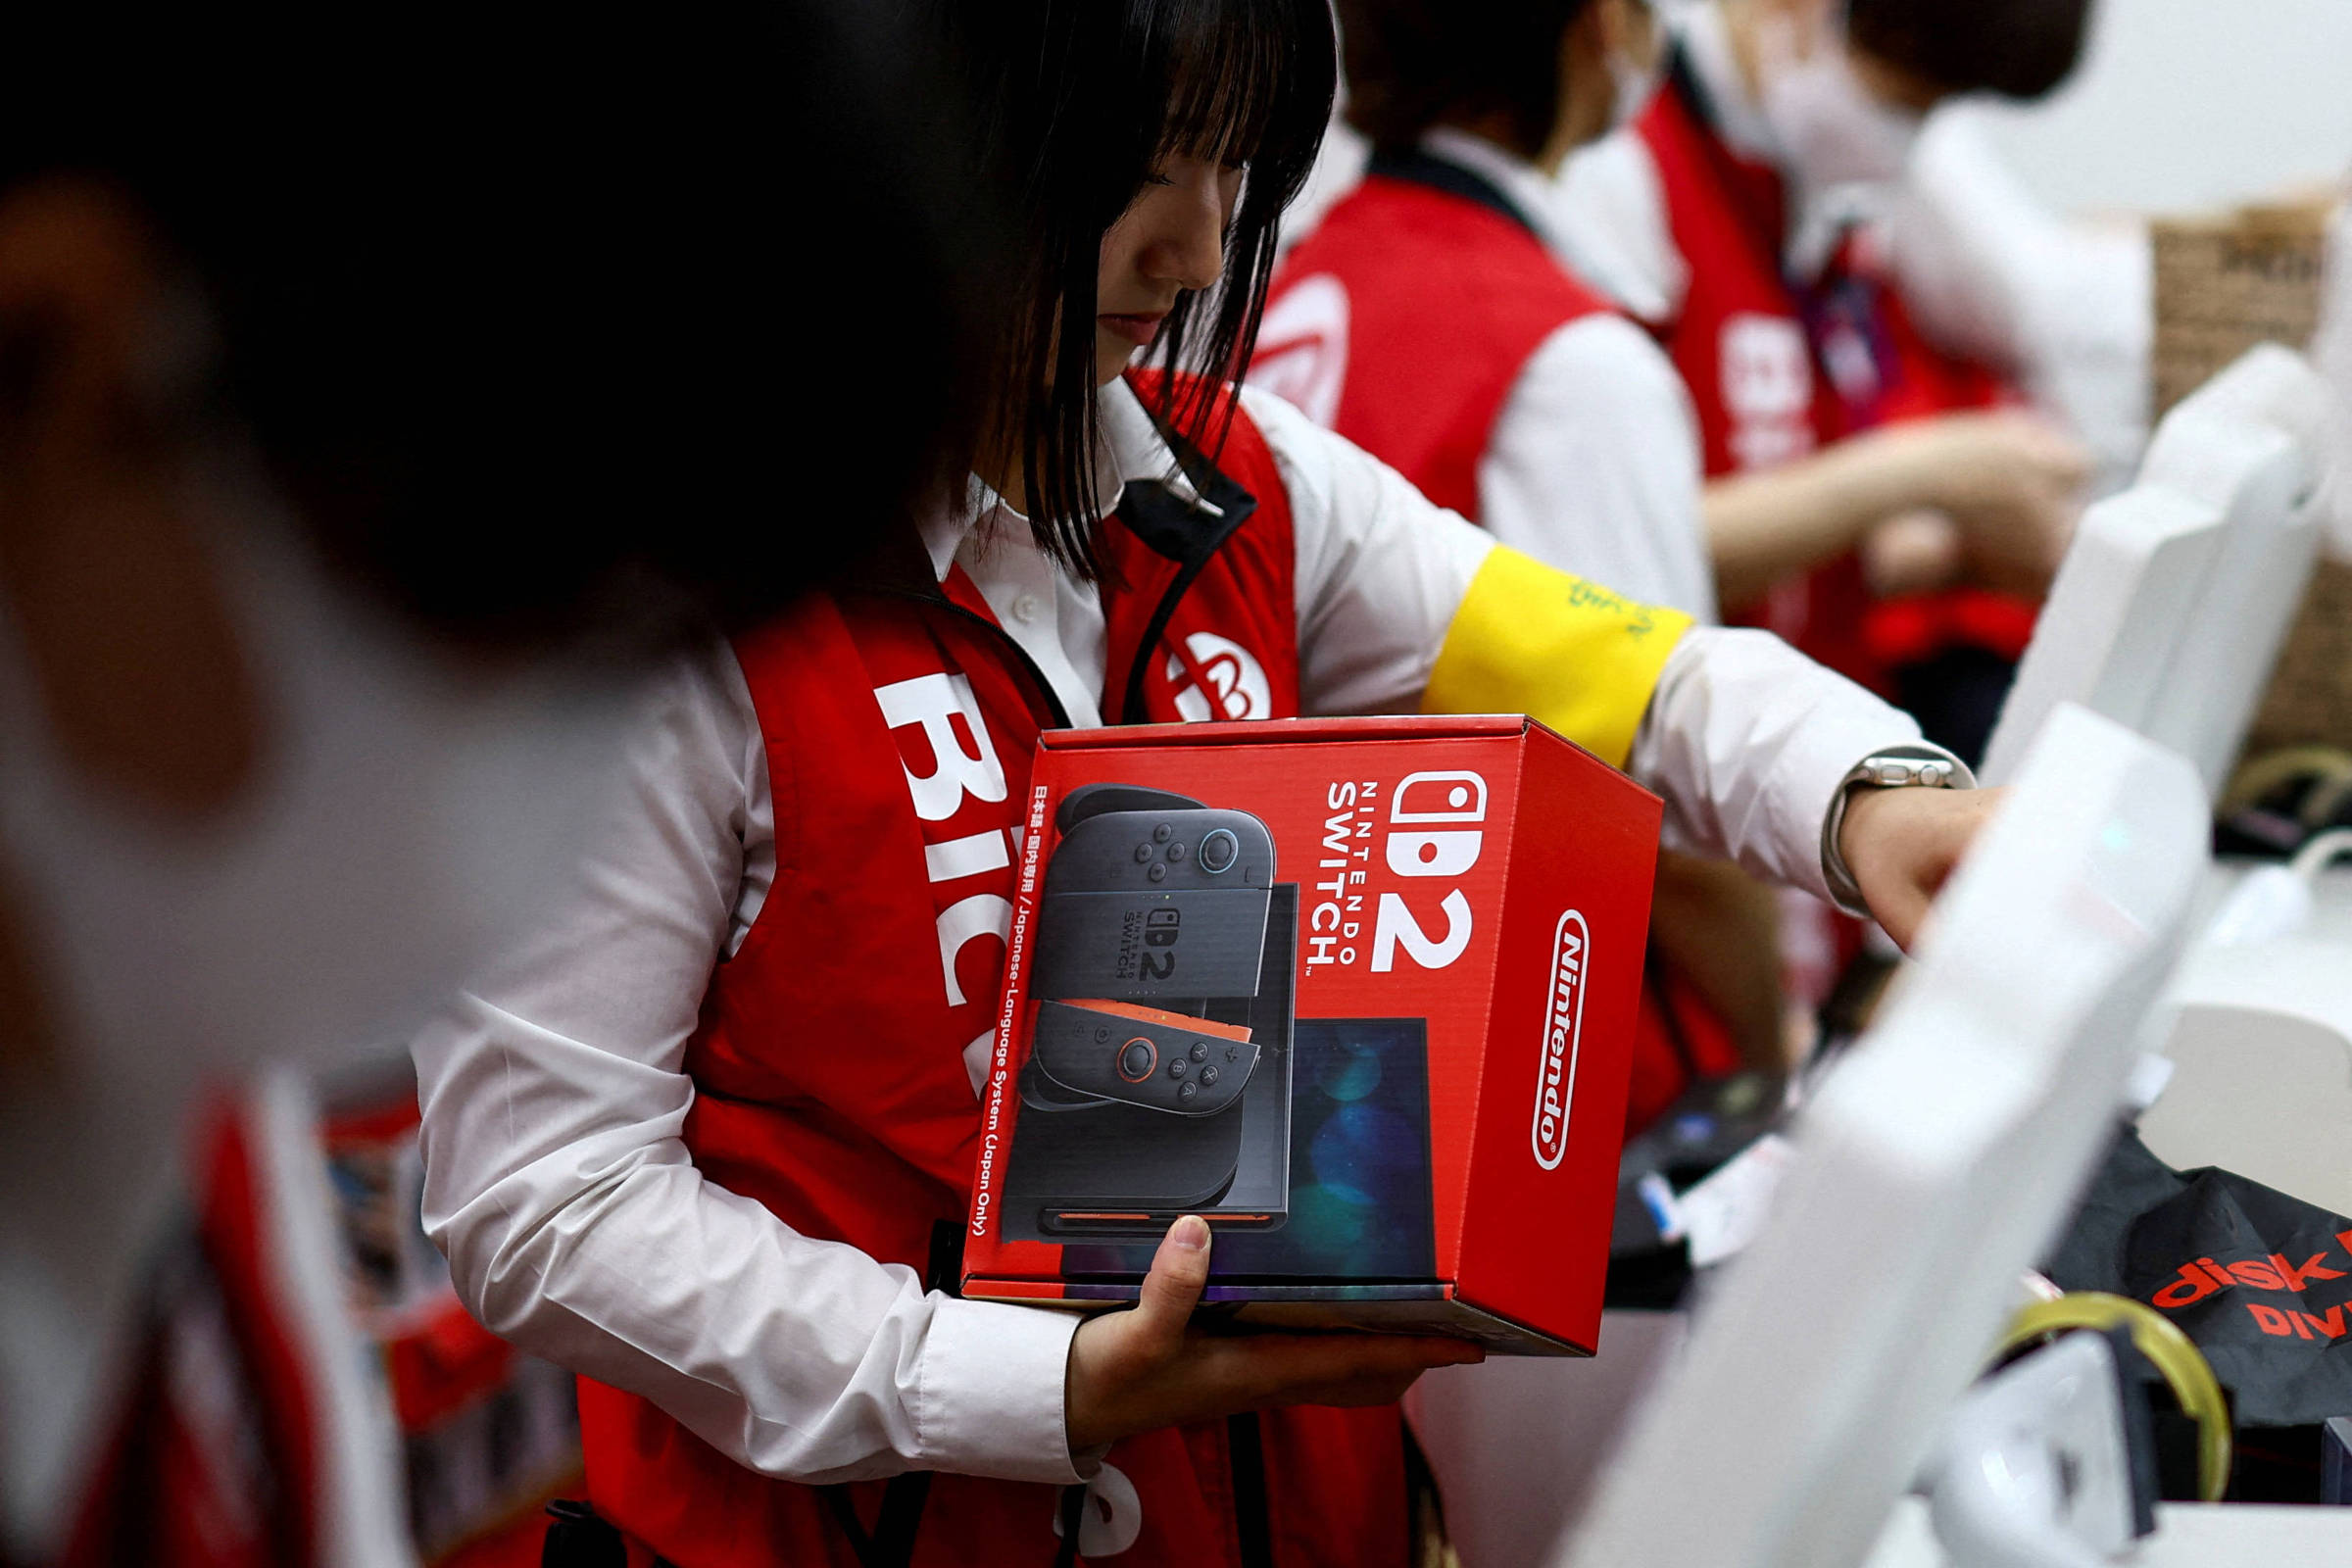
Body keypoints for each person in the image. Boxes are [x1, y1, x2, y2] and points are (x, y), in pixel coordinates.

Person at [413, 2, 1997, 1563]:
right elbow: (542, 1202)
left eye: (1237, 167)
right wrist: (1028, 1385)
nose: (1194, 249)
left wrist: (1872, 796)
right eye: (1136, 165)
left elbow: (1631, 679)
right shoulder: (671, 603)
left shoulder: (1245, 482)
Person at [0, 11, 989, 1563]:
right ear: (49, 354)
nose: (526, 794)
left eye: (635, 664)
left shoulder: (178, 1137)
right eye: (486, 606)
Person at [1254, 0, 1787, 1121]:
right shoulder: (1568, 358)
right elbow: (1667, 800)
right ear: (1597, 29)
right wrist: (1777, 1053)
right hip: (1541, 1070)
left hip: (1317, 1038)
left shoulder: (1295, 287)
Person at [1554, 0, 2099, 765]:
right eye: (1902, 98)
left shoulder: (1805, 190)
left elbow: (1786, 527)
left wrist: (1964, 545)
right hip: (1677, 776)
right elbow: (1605, 555)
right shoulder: (1619, 170)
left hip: (1803, 753)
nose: (1907, 137)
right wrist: (1923, 470)